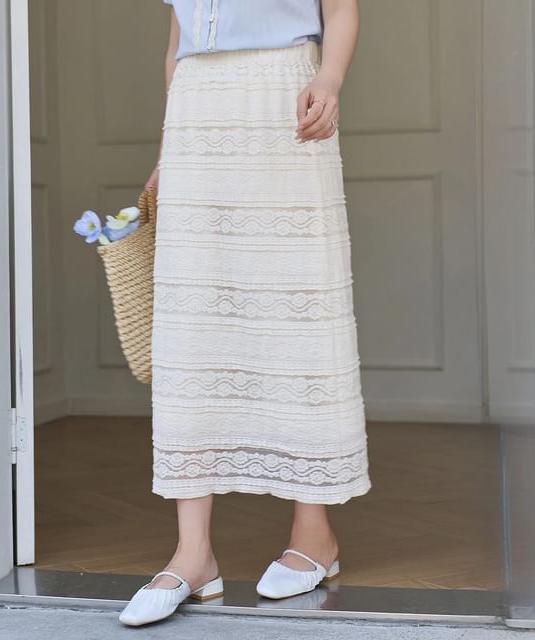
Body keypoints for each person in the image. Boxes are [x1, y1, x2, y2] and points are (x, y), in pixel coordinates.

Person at [119, 0, 370, 627]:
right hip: (196, 113)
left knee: (297, 313)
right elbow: (177, 42)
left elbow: (341, 9)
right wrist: (166, 149)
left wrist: (329, 79)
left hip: (284, 96)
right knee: (194, 328)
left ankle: (314, 534)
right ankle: (193, 554)